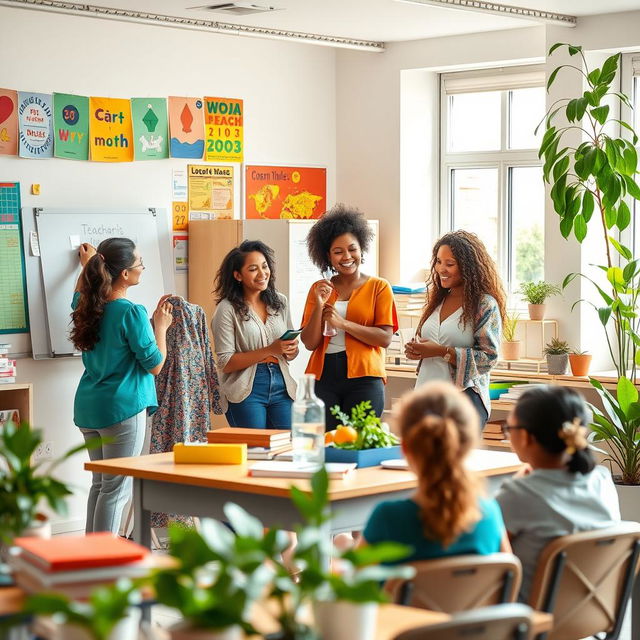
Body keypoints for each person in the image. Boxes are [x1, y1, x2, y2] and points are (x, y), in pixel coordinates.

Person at [71, 238, 173, 535]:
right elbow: (154, 364)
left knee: (101, 484)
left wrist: (88, 265)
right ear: (125, 274)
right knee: (116, 489)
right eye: (139, 263)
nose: (143, 267)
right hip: (122, 407)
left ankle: (91, 556)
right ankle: (104, 561)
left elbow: (81, 289)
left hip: (90, 407)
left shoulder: (85, 304)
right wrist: (161, 328)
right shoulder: (131, 311)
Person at [496, 385, 620, 602]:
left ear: (525, 436)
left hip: (527, 622)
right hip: (590, 617)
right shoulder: (602, 481)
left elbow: (490, 558)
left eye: (509, 428)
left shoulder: (518, 495)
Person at [360, 381, 509, 561]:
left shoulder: (387, 518)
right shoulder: (489, 513)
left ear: (405, 448)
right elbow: (508, 579)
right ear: (468, 445)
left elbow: (350, 586)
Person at [301, 204, 398, 430]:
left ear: (361, 249)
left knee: (361, 442)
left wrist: (342, 323)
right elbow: (309, 343)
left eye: (352, 249)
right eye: (338, 252)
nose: (347, 257)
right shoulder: (319, 288)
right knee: (326, 444)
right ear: (328, 256)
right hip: (324, 377)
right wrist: (319, 306)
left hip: (365, 378)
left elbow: (384, 338)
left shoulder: (379, 287)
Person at [405, 230, 506, 429]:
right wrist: (417, 351)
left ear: (468, 267)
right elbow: (431, 344)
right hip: (425, 399)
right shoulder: (437, 300)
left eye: (450, 264)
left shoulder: (484, 305)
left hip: (462, 401)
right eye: (438, 261)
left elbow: (489, 357)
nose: (441, 269)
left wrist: (441, 351)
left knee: (452, 461)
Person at [212, 240, 298, 428]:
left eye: (265, 266)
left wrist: (290, 350)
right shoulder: (226, 309)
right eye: (253, 269)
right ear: (238, 275)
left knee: (288, 447)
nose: (262, 274)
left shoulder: (280, 302)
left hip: (282, 383)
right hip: (246, 389)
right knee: (255, 451)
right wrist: (270, 350)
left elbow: (290, 351)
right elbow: (225, 363)